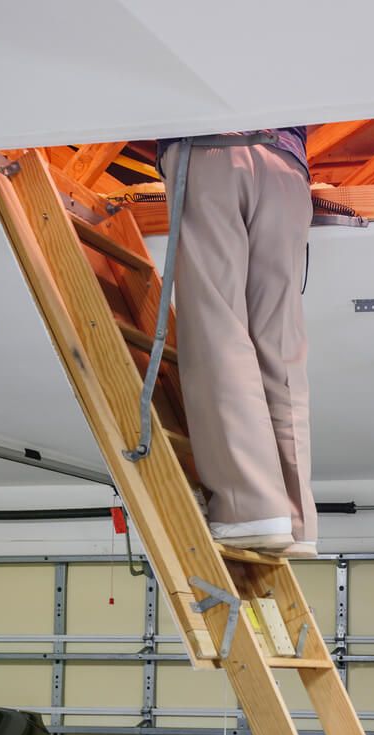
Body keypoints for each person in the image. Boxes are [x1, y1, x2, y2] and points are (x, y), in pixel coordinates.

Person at [157, 128, 317, 559]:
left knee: (218, 329)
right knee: (282, 352)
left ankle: (249, 508)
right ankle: (297, 521)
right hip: (288, 171)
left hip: (211, 152)